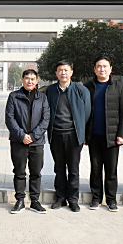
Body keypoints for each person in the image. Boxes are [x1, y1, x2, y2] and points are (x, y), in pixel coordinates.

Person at [84, 56, 123, 212]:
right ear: (94, 69)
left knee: (111, 170)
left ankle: (111, 200)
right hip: (93, 135)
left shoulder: (119, 87)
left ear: (110, 69)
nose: (102, 69)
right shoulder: (88, 87)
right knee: (95, 169)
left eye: (105, 66)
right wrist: (85, 134)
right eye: (99, 66)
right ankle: (96, 198)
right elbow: (84, 112)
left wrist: (122, 134)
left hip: (112, 136)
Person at [45, 60, 91, 212]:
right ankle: (60, 198)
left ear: (71, 72)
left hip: (74, 135)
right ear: (56, 73)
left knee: (73, 169)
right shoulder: (51, 90)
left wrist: (81, 131)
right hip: (56, 135)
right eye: (60, 70)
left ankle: (73, 199)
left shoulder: (81, 90)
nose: (63, 73)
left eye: (66, 70)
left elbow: (86, 112)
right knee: (59, 168)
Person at [5, 69, 50, 214]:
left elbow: (45, 119)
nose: (29, 81)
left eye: (32, 79)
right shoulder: (14, 96)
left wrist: (33, 136)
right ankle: (20, 201)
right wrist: (22, 135)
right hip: (18, 141)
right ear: (22, 80)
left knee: (36, 172)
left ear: (36, 80)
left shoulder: (42, 97)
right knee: (19, 172)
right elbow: (9, 118)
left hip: (37, 142)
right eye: (27, 78)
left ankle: (35, 201)